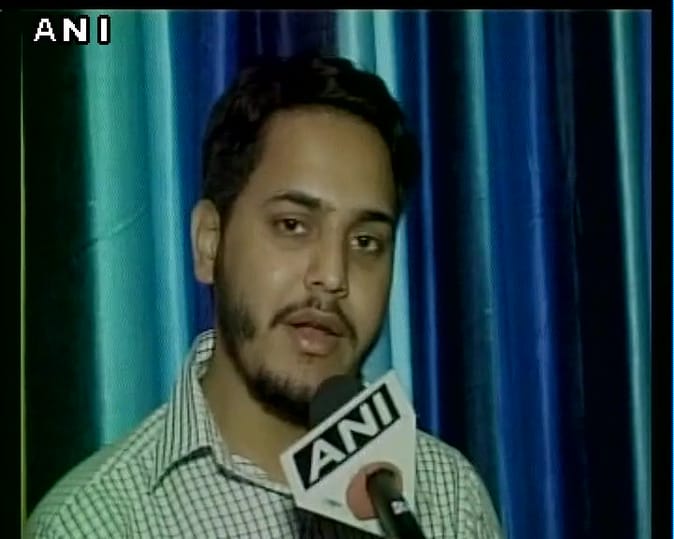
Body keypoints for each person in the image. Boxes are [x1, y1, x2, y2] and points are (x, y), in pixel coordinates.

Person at [26, 52, 503, 538]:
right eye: (293, 225)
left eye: (365, 242)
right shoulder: (93, 523)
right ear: (209, 242)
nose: (332, 275)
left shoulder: (450, 499)